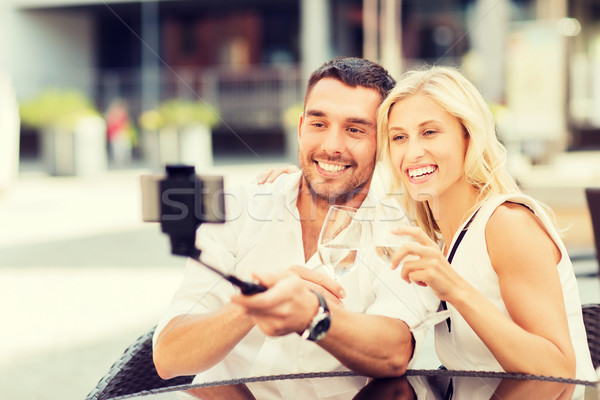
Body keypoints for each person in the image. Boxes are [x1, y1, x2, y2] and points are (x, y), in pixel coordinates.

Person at [152, 57, 431, 398]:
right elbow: (169, 356)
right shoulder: (237, 209)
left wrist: (313, 315)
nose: (331, 146)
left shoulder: (400, 229)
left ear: (383, 143)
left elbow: (395, 351)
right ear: (300, 128)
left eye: (355, 129)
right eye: (318, 124)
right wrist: (254, 303)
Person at [376, 66, 596, 380]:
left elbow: (557, 369)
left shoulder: (506, 225)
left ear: (468, 136)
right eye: (399, 137)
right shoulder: (446, 238)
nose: (412, 152)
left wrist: (454, 289)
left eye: (429, 132)